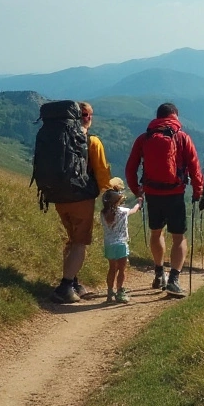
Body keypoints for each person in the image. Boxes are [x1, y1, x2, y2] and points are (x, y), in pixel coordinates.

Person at [125, 102, 203, 297]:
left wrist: (138, 191)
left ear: (158, 116)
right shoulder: (182, 137)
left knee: (156, 233)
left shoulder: (144, 138)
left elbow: (130, 168)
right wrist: (197, 191)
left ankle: (159, 273)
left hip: (152, 193)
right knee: (178, 237)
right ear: (175, 115)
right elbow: (194, 167)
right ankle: (174, 280)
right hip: (175, 193)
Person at [53, 101, 113, 304]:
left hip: (59, 197)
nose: (90, 118)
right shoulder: (91, 141)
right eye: (89, 115)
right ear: (85, 116)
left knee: (71, 239)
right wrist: (110, 194)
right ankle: (65, 286)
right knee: (80, 243)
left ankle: (75, 283)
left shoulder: (60, 137)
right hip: (81, 198)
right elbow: (102, 173)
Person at [100, 184, 141, 303]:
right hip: (121, 244)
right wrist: (139, 202)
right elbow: (134, 210)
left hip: (109, 244)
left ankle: (109, 292)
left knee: (112, 268)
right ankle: (120, 291)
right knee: (122, 269)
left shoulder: (103, 214)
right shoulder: (123, 211)